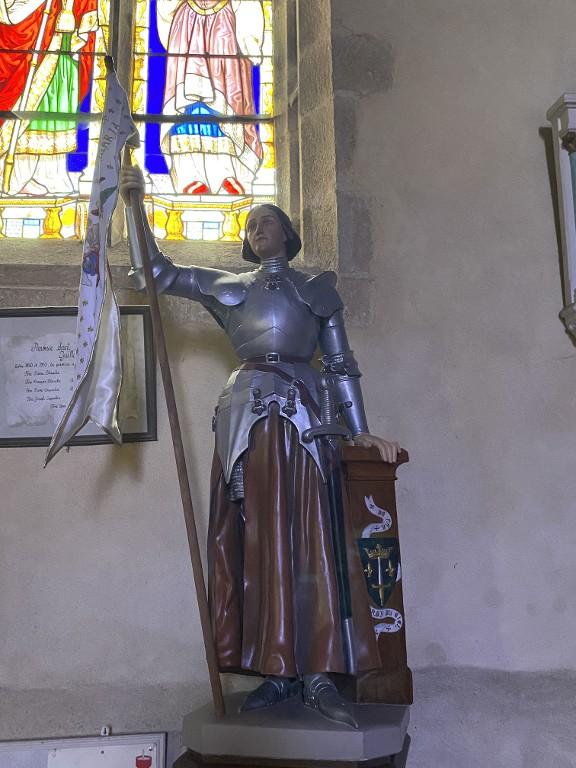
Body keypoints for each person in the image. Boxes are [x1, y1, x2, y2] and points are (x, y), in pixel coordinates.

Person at [120, 166, 400, 727]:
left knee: (314, 539)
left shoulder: (316, 290)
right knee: (255, 541)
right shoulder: (229, 288)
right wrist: (134, 206)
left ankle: (319, 670)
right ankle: (274, 669)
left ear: (288, 233)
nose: (257, 230)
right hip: (246, 416)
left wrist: (361, 428)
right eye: (250, 226)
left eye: (267, 222)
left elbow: (341, 364)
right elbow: (155, 271)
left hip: (308, 417)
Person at [156, 0, 264, 195]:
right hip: (187, 25)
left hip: (223, 28)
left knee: (224, 105)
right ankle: (189, 175)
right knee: (188, 102)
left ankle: (227, 172)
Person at [0, 0, 97, 195]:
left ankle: (48, 174)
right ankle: (18, 176)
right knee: (28, 103)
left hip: (63, 41)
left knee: (56, 105)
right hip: (37, 31)